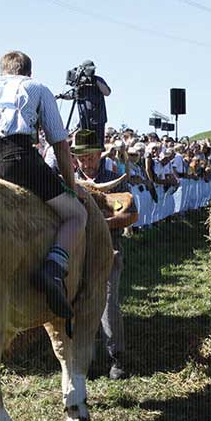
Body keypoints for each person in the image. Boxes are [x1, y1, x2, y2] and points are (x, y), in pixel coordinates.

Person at [0, 50, 85, 324]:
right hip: (17, 157)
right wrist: (70, 187)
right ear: (28, 72)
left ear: (2, 71)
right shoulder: (35, 87)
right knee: (76, 215)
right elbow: (59, 143)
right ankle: (55, 266)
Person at [75, 130, 130, 379]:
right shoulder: (68, 181)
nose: (87, 162)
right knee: (80, 304)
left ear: (100, 154)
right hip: (76, 253)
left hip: (108, 250)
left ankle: (116, 357)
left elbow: (131, 215)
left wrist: (100, 222)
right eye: (82, 158)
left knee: (108, 303)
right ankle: (84, 358)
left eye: (91, 157)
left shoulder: (114, 179)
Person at [61, 59, 111, 144]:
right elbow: (73, 94)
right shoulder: (80, 82)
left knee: (97, 145)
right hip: (84, 119)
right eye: (89, 69)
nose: (92, 71)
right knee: (84, 144)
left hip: (98, 120)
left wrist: (94, 81)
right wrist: (62, 96)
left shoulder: (98, 80)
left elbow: (107, 92)